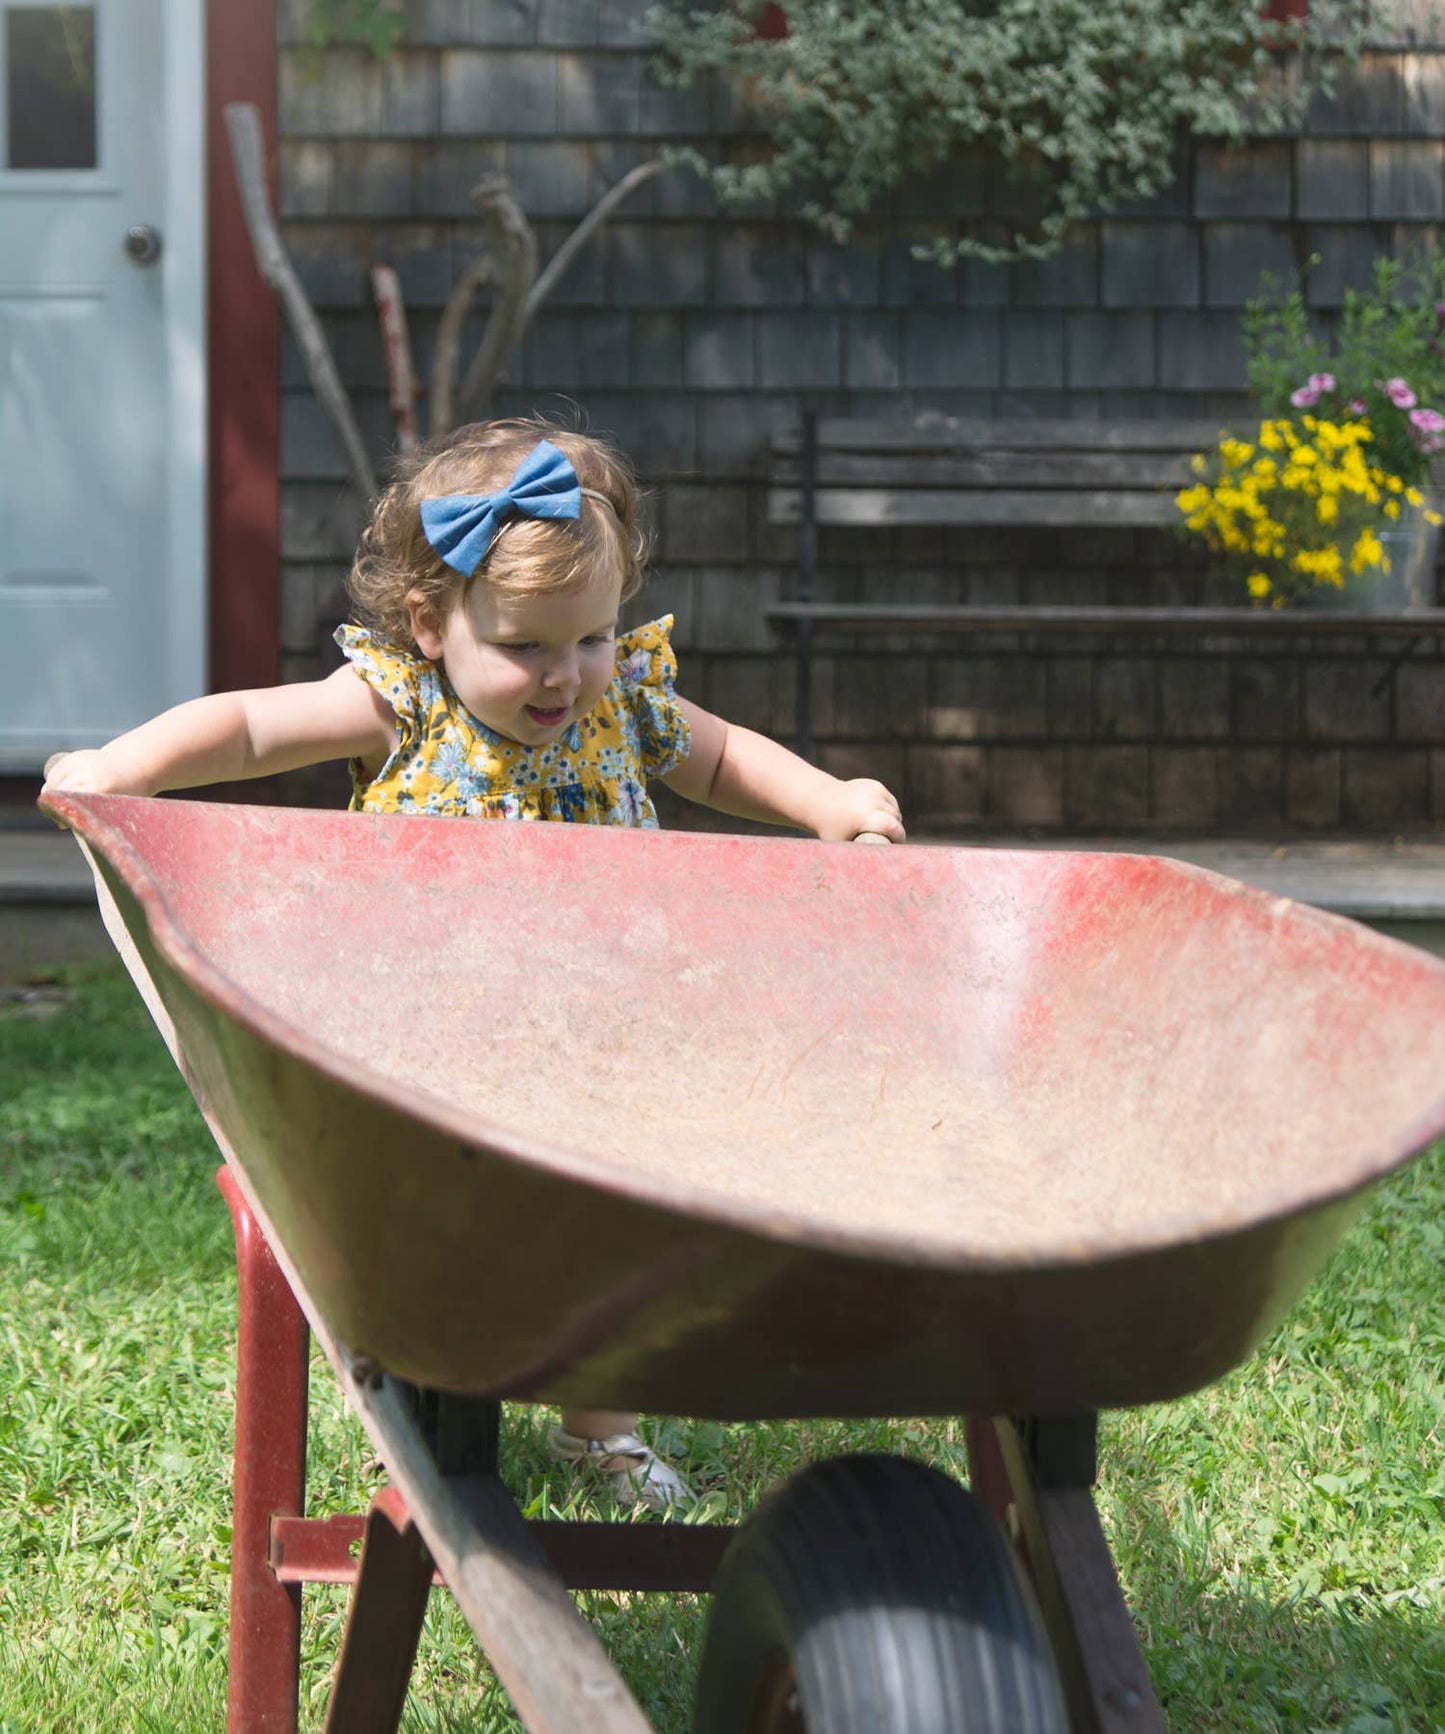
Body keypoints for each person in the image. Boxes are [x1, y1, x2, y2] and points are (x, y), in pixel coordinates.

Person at [43, 416, 905, 1508]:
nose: (566, 675)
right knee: (418, 1227)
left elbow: (723, 757)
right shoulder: (399, 706)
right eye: (525, 647)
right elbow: (251, 731)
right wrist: (118, 767)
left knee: (610, 1220)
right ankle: (411, 1405)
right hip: (429, 1033)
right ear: (428, 622)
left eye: (590, 638)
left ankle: (601, 1428)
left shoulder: (621, 707)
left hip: (600, 1028)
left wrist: (827, 804)